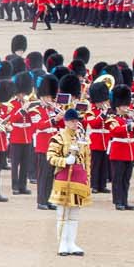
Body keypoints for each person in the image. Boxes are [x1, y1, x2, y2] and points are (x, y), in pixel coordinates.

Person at [46, 105, 90, 255]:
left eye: (76, 121)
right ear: (65, 122)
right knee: (63, 214)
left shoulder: (82, 137)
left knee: (74, 214)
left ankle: (71, 243)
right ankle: (62, 244)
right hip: (64, 178)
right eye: (71, 121)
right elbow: (50, 157)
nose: (75, 124)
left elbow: (87, 159)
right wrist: (66, 161)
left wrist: (87, 178)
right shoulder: (58, 137)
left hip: (78, 178)